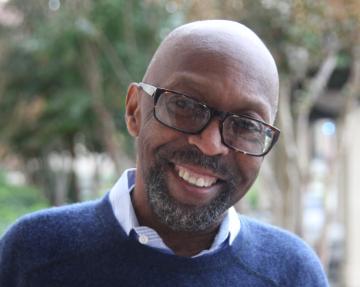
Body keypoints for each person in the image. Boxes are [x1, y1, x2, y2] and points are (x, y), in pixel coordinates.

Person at [0, 20, 329, 286]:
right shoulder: (34, 256)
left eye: (246, 125)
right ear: (134, 111)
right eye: (185, 105)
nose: (211, 144)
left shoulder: (292, 273)